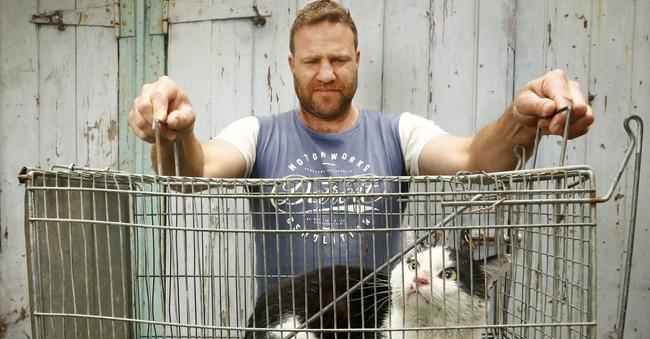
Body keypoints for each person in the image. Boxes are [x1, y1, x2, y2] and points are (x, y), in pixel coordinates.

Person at [128, 0, 593, 292]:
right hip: (291, 337)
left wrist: (520, 119)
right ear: (291, 65)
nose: (326, 73)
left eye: (339, 59)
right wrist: (176, 132)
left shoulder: (397, 132)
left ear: (358, 61)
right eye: (312, 60)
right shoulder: (258, 133)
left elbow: (475, 160)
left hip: (378, 335)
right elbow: (195, 173)